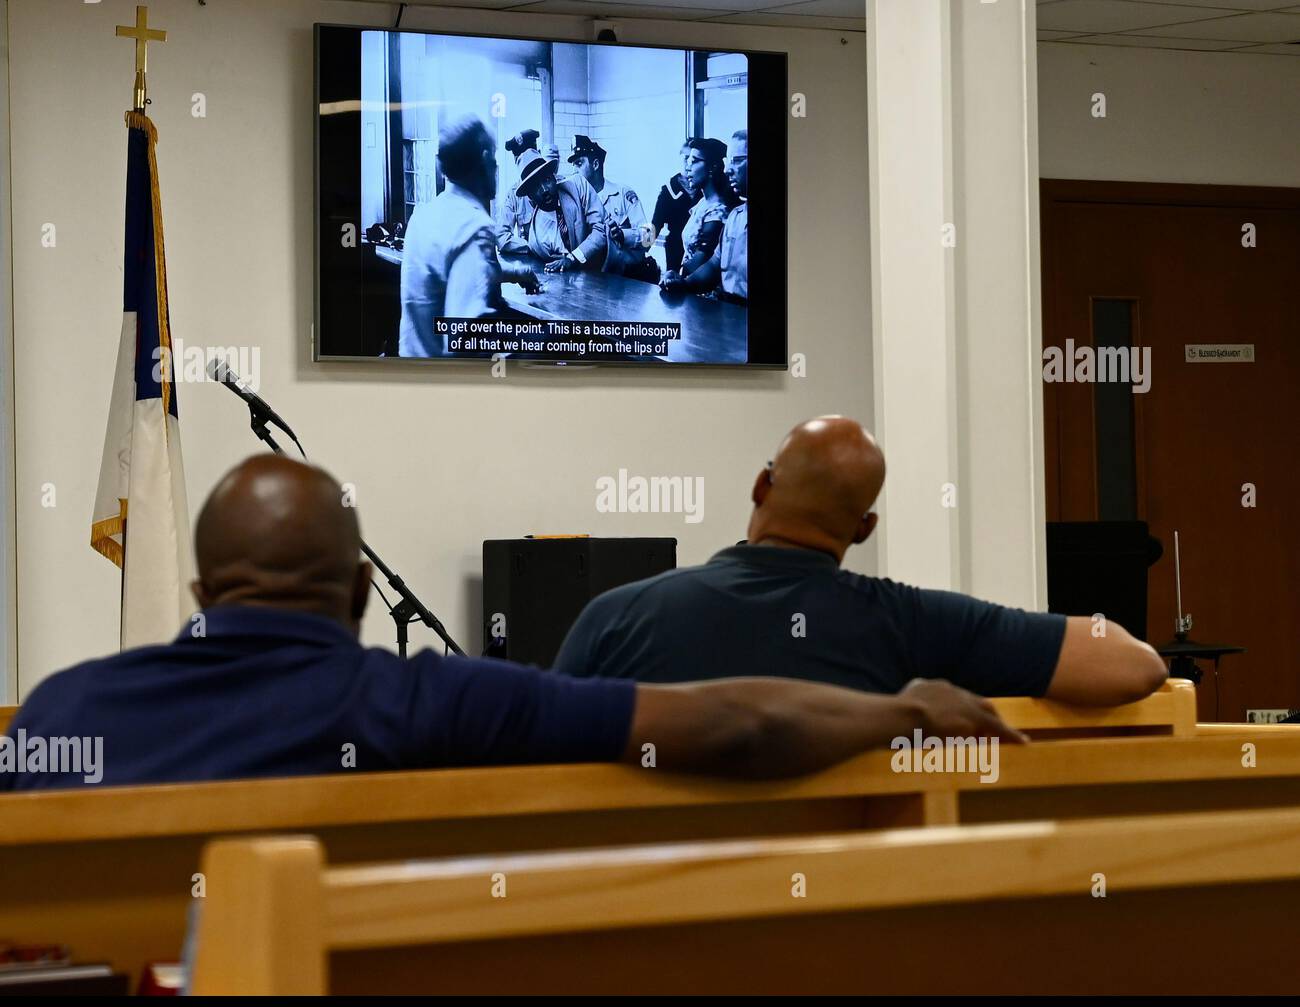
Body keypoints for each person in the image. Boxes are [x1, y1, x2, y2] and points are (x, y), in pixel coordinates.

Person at [0, 454, 1021, 791]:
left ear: (197, 595)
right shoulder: (435, 697)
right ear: (360, 592)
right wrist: (898, 711)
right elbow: (731, 724)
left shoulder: (64, 711)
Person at [555, 417, 1168, 706]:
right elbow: (1135, 666)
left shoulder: (617, 618)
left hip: (661, 923)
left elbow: (539, 764)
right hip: (846, 926)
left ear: (759, 488)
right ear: (866, 527)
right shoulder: (916, 624)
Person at [398, 114, 538, 357]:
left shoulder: (424, 215)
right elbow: (465, 336)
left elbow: (456, 270)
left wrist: (515, 272)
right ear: (485, 160)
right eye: (494, 157)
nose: (496, 166)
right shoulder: (473, 226)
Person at [662, 130, 747, 303]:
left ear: (711, 167)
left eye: (736, 161)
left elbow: (706, 255)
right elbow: (653, 226)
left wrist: (678, 275)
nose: (687, 166)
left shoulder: (720, 210)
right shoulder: (670, 191)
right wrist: (642, 245)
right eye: (686, 159)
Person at [566, 134, 656, 281]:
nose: (575, 171)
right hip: (594, 279)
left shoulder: (622, 194)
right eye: (573, 165)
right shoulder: (576, 203)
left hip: (629, 278)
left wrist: (623, 235)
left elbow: (649, 237)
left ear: (595, 165)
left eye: (579, 163)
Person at [515, 148, 607, 273]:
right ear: (530, 196)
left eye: (547, 180)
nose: (544, 190)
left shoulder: (578, 186)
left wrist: (572, 258)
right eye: (536, 187)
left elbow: (601, 230)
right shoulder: (536, 240)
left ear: (554, 178)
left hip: (606, 270)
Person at [649, 143, 700, 277]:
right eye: (686, 158)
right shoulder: (669, 190)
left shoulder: (704, 188)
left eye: (693, 160)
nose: (689, 163)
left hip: (701, 250)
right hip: (676, 248)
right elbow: (656, 223)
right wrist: (641, 248)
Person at [496, 128, 541, 257]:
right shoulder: (513, 194)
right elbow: (501, 238)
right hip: (532, 260)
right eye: (520, 161)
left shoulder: (554, 186)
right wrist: (534, 247)